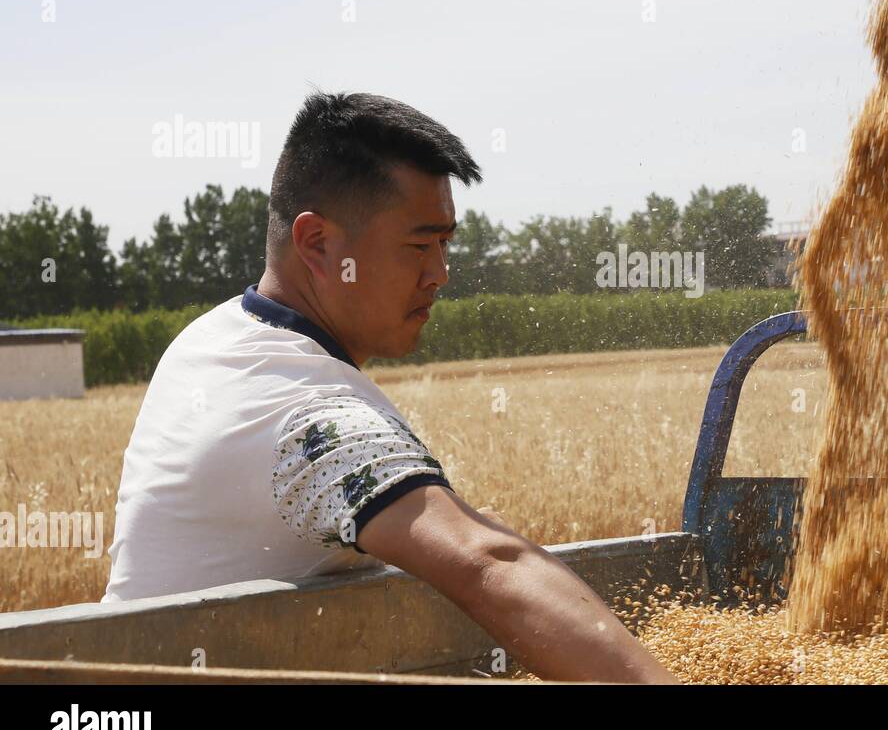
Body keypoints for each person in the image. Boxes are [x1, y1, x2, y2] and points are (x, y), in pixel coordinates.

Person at [103, 91, 677, 684]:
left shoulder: (214, 338)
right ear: (318, 244)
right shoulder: (310, 419)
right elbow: (487, 564)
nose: (440, 274)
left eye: (445, 244)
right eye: (418, 245)